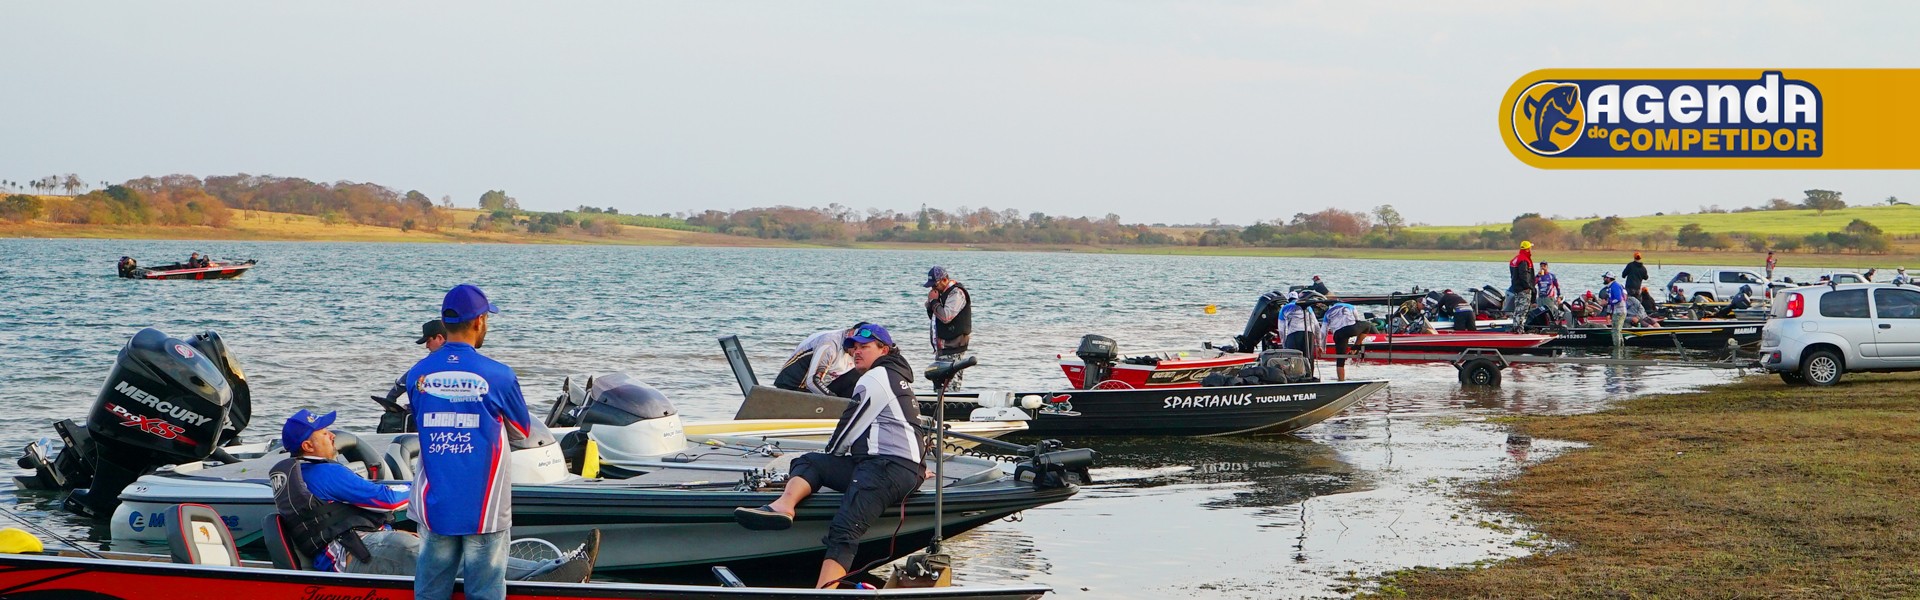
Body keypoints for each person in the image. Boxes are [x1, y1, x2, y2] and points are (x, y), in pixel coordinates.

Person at [270, 410, 590, 579]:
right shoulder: (324, 472)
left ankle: (551, 569)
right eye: (322, 432)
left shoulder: (305, 475)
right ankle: (550, 573)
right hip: (357, 556)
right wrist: (423, 485)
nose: (330, 434)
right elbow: (385, 499)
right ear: (308, 446)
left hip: (352, 553)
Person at [733, 324, 927, 589]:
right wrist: (917, 468)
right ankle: (784, 506)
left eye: (864, 347)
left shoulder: (877, 376)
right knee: (809, 461)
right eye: (854, 348)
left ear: (884, 349)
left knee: (844, 530)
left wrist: (833, 455)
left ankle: (824, 593)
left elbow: (849, 425)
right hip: (895, 465)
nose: (857, 353)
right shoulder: (896, 376)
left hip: (885, 467)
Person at [405, 284, 536, 600]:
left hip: (435, 505)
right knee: (486, 592)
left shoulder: (416, 375)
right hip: (485, 508)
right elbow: (522, 432)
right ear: (479, 322)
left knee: (430, 593)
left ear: (445, 323)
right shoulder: (500, 375)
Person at [374, 320, 448, 425]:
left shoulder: (425, 365)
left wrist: (395, 406)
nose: (426, 346)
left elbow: (395, 391)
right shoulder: (465, 360)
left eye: (428, 341)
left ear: (440, 338)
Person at [774, 323, 870, 397]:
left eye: (864, 346)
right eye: (857, 346)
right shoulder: (830, 344)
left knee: (863, 373)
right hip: (795, 386)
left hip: (822, 386)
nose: (859, 351)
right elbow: (812, 381)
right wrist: (833, 400)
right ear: (851, 333)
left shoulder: (857, 351)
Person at [923, 266, 971, 388]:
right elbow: (936, 320)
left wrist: (934, 302)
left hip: (954, 348)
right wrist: (930, 306)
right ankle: (941, 404)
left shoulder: (956, 293)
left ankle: (949, 404)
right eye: (931, 286)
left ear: (944, 280)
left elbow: (946, 317)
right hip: (943, 348)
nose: (933, 289)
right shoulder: (942, 295)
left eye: (935, 285)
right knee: (940, 385)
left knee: (950, 386)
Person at [1320, 299, 1373, 381]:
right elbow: (1357, 320)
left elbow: (1323, 332)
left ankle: (1341, 380)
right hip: (1350, 329)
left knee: (1340, 360)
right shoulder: (1350, 306)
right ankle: (1356, 346)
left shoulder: (1327, 313)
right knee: (1368, 325)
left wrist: (1322, 348)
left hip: (1338, 334)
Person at [1506, 241, 1537, 324]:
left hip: (1516, 288)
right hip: (1523, 290)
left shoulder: (1515, 259)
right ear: (1527, 249)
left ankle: (1516, 327)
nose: (1531, 249)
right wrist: (1528, 286)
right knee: (1522, 311)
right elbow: (1523, 275)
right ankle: (1519, 329)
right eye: (1530, 248)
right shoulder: (1524, 260)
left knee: (1517, 310)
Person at [1602, 273, 1627, 347]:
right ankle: (1621, 348)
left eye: (1605, 277)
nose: (1604, 279)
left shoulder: (1614, 286)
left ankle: (1617, 349)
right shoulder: (1612, 286)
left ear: (1609, 278)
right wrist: (1608, 313)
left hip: (1619, 311)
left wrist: (1607, 302)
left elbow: (1618, 299)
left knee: (1615, 331)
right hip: (1619, 311)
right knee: (1618, 331)